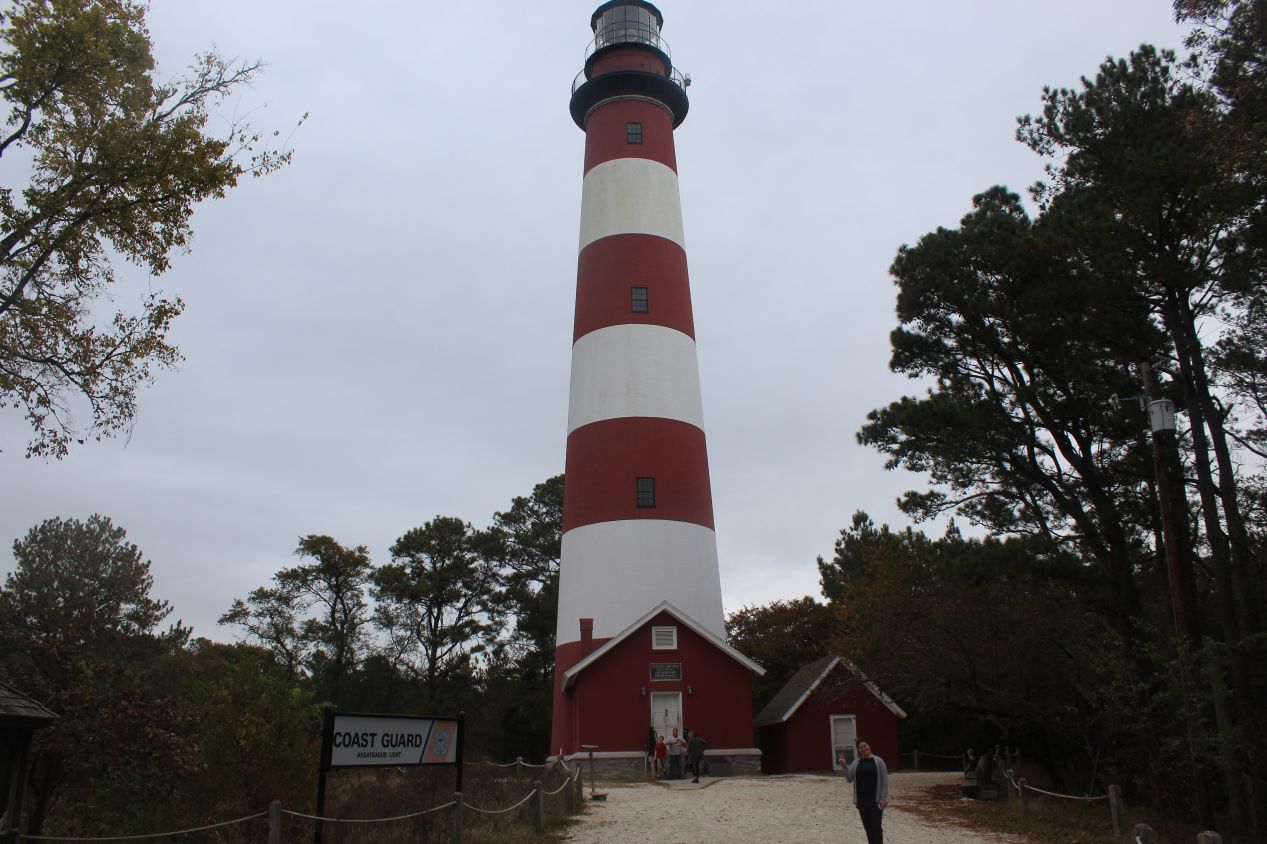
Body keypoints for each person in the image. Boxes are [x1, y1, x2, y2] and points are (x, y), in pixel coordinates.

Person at [839, 738, 888, 844]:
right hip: (861, 801)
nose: (864, 748)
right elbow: (849, 778)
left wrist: (883, 798)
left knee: (876, 829)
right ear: (859, 751)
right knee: (868, 829)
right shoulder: (856, 763)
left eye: (865, 746)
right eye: (861, 748)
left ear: (869, 746)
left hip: (876, 801)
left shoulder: (879, 761)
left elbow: (884, 781)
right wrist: (844, 765)